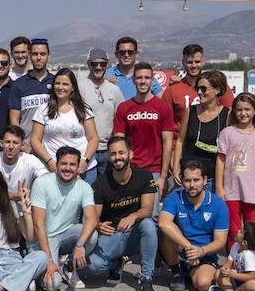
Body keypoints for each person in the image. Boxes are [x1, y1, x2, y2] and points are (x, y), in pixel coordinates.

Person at [83, 135, 158, 291]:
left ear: (130, 154)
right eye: (113, 154)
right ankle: (116, 261)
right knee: (94, 267)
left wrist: (133, 216)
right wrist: (98, 225)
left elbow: (147, 209)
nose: (118, 157)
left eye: (121, 153)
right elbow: (94, 217)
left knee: (149, 224)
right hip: (113, 234)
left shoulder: (144, 176)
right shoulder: (101, 183)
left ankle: (146, 277)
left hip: (135, 233)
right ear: (109, 157)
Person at [30, 146, 98, 291]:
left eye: (72, 164)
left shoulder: (84, 187)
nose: (68, 168)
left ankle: (67, 266)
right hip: (44, 238)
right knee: (52, 285)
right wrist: (48, 260)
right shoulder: (42, 183)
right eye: (64, 164)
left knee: (91, 235)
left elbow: (92, 218)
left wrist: (80, 245)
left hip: (67, 234)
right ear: (57, 164)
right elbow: (38, 225)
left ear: (78, 166)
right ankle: (39, 273)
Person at [158, 161, 230, 291]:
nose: (192, 185)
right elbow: (163, 223)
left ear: (205, 180)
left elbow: (220, 241)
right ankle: (176, 271)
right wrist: (189, 247)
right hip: (180, 249)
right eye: (187, 180)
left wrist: (201, 251)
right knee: (165, 230)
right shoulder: (173, 198)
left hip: (203, 253)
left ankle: (190, 272)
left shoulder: (219, 205)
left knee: (203, 284)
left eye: (196, 180)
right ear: (181, 181)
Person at [215, 93, 255, 246]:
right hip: (231, 190)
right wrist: (219, 187)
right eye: (239, 110)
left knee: (252, 232)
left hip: (252, 190)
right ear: (234, 111)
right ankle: (232, 266)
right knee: (233, 231)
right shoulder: (227, 133)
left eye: (247, 109)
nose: (243, 113)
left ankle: (251, 266)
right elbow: (221, 160)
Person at [113, 62, 174, 206]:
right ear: (133, 80)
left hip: (154, 171)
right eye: (139, 78)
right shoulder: (124, 108)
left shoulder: (163, 107)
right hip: (130, 170)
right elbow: (119, 142)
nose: (143, 81)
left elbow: (167, 143)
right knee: (128, 212)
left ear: (152, 80)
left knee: (151, 215)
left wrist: (163, 176)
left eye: (147, 78)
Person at [31, 69, 98, 179]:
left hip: (83, 169)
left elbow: (93, 138)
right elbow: (35, 140)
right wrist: (49, 162)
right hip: (53, 168)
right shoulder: (43, 110)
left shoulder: (83, 110)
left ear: (72, 88)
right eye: (57, 83)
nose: (60, 87)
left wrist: (85, 161)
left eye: (65, 84)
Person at [172, 71, 231, 190]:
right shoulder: (190, 111)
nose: (199, 92)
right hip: (188, 177)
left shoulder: (227, 115)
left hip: (213, 178)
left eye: (203, 89)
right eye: (197, 88)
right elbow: (180, 141)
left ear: (217, 90)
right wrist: (175, 167)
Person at [0, 124, 48, 209]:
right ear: (1, 143)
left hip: (22, 213)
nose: (11, 147)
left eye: (15, 143)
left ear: (22, 145)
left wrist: (32, 192)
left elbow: (46, 179)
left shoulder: (30, 160)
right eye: (7, 142)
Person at [77, 48, 124, 176]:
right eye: (94, 64)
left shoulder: (114, 90)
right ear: (88, 64)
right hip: (86, 151)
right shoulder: (79, 88)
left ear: (107, 65)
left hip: (108, 151)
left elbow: (121, 118)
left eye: (102, 64)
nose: (98, 67)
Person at [162, 43, 234, 126]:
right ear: (183, 62)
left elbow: (230, 116)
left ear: (203, 61)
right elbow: (164, 121)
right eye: (189, 62)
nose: (193, 65)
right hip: (180, 138)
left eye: (197, 62)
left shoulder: (217, 87)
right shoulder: (173, 89)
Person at [7, 37, 53, 130]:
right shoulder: (18, 84)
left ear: (49, 56)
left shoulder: (56, 82)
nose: (39, 58)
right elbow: (14, 120)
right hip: (26, 142)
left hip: (51, 143)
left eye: (42, 54)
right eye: (35, 54)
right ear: (30, 55)